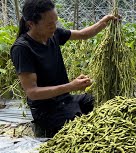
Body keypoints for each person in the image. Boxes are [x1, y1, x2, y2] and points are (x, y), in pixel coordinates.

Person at [10, 0, 119, 137]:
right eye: (50, 24)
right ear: (31, 24)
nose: (54, 27)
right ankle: (42, 129)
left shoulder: (53, 34)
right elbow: (33, 92)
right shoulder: (22, 48)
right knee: (81, 129)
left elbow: (83, 34)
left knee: (102, 103)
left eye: (55, 22)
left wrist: (104, 22)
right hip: (46, 110)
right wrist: (71, 86)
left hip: (65, 99)